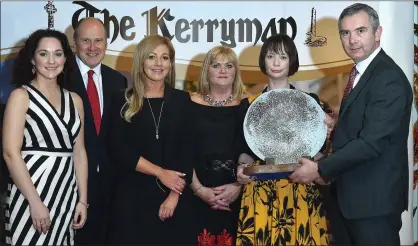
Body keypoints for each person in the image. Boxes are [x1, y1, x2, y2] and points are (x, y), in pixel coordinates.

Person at [289, 3, 413, 245]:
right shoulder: (362, 72)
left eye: (360, 31)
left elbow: (371, 143)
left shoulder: (387, 77)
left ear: (377, 33)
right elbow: (364, 129)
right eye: (345, 33)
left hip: (373, 206)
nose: (352, 40)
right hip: (350, 201)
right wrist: (338, 124)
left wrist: (320, 169)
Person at [236, 33, 331, 246]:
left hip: (301, 185)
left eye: (283, 56)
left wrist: (325, 171)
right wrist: (241, 168)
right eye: (271, 56)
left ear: (292, 61)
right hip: (260, 189)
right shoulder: (248, 104)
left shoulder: (311, 102)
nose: (276, 62)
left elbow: (317, 149)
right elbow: (245, 150)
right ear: (263, 61)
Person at [106, 34, 194, 245]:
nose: (158, 63)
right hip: (131, 200)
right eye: (152, 57)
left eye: (164, 58)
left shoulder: (182, 100)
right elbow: (119, 149)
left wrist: (174, 196)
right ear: (141, 61)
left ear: (171, 63)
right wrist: (160, 172)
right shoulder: (122, 99)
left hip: (173, 200)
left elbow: (188, 151)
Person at [3, 29, 88, 245]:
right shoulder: (21, 96)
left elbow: (79, 153)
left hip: (65, 194)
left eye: (58, 54)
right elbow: (10, 153)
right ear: (32, 58)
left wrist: (82, 200)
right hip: (31, 192)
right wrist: (35, 202)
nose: (51, 61)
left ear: (66, 58)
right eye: (43, 54)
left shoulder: (75, 101)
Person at [69, 17, 127, 245]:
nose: (92, 48)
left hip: (110, 189)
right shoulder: (60, 77)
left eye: (98, 41)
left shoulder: (118, 81)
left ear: (106, 43)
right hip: (71, 185)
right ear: (75, 42)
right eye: (86, 41)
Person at [189, 46, 248, 245]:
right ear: (207, 70)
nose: (222, 70)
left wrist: (237, 186)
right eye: (216, 65)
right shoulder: (188, 103)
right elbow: (182, 150)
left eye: (228, 65)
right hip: (195, 193)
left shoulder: (248, 105)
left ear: (236, 71)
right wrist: (198, 190)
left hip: (237, 195)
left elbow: (252, 151)